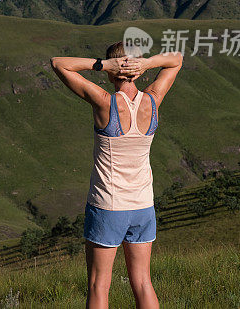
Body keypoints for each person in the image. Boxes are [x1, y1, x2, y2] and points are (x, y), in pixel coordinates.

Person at [50, 41, 183, 309]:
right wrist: (147, 63)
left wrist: (101, 64)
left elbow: (58, 63)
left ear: (111, 73)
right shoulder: (153, 100)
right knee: (144, 282)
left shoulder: (104, 102)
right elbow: (176, 59)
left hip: (108, 206)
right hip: (143, 207)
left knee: (99, 285)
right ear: (140, 71)